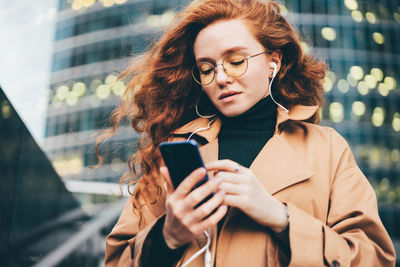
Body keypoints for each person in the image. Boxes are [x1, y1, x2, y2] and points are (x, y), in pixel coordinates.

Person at [103, 0, 396, 266]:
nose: (220, 78)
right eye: (206, 68)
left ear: (274, 61)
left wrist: (281, 217)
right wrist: (166, 238)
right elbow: (116, 261)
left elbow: (374, 259)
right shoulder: (176, 149)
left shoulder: (327, 148)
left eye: (236, 61)